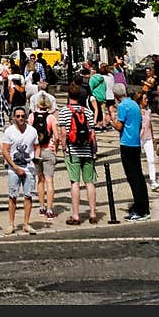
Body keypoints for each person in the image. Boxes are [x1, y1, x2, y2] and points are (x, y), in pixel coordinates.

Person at [57, 82, 98, 225]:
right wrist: (94, 150)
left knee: (75, 182)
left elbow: (63, 134)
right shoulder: (87, 112)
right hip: (87, 150)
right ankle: (93, 213)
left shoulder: (63, 112)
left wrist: (63, 149)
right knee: (90, 182)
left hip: (72, 150)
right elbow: (92, 134)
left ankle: (76, 215)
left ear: (69, 96)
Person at [111, 82, 150, 221]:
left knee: (133, 177)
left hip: (127, 143)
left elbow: (120, 126)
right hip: (135, 143)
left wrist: (111, 121)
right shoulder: (134, 104)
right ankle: (143, 204)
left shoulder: (122, 106)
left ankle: (141, 209)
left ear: (115, 95)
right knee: (138, 175)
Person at [1, 106, 38, 234]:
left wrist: (36, 158)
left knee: (28, 196)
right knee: (12, 196)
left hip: (29, 167)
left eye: (23, 116)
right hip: (13, 168)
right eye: (18, 116)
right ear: (14, 118)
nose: (21, 118)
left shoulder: (32, 131)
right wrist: (15, 168)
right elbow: (5, 151)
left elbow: (36, 146)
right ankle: (11, 224)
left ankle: (26, 223)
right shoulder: (9, 131)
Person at [29, 92, 59, 220]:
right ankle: (50, 209)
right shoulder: (51, 118)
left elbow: (29, 135)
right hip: (48, 149)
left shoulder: (31, 116)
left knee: (39, 179)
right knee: (49, 180)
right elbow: (56, 136)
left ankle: (41, 206)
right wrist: (55, 149)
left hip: (37, 151)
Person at [138, 91, 159, 192]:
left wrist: (153, 137)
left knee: (151, 159)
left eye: (146, 99)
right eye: (144, 99)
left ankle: (153, 181)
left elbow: (150, 124)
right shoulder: (136, 112)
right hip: (139, 138)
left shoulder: (148, 111)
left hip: (148, 138)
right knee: (136, 160)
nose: (146, 100)